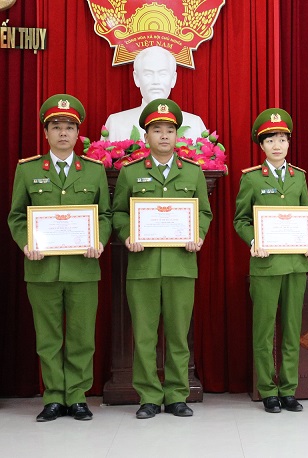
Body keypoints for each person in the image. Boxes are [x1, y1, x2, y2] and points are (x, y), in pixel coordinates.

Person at [7, 94, 111, 421]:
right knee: (48, 337)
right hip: (42, 267)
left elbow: (105, 215)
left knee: (81, 336)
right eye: (56, 126)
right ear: (46, 132)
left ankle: (77, 396)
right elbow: (17, 216)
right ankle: (53, 397)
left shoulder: (93, 171)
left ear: (78, 133)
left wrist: (99, 239)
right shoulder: (28, 170)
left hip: (83, 267)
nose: (63, 132)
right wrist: (27, 242)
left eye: (69, 127)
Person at [111, 98, 213, 418]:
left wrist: (198, 234)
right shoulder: (130, 173)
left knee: (178, 335)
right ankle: (149, 397)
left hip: (181, 264)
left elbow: (204, 213)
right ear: (146, 136)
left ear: (177, 135)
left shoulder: (192, 173)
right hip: (143, 266)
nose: (164, 135)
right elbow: (118, 213)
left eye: (170, 130)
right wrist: (127, 235)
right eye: (157, 130)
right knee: (144, 335)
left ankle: (177, 394)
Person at [234, 108, 308, 413]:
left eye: (282, 139)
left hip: (296, 264)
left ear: (289, 143)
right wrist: (254, 241)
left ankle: (288, 388)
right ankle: (268, 389)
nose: (277, 145)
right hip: (266, 264)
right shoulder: (252, 179)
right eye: (270, 139)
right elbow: (241, 220)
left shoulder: (300, 177)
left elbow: (305, 215)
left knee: (292, 328)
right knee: (264, 330)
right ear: (261, 145)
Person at [104, 46, 207, 141]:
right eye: (148, 74)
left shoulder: (194, 124)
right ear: (136, 78)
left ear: (173, 79)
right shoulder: (115, 124)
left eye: (163, 74)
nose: (156, 81)